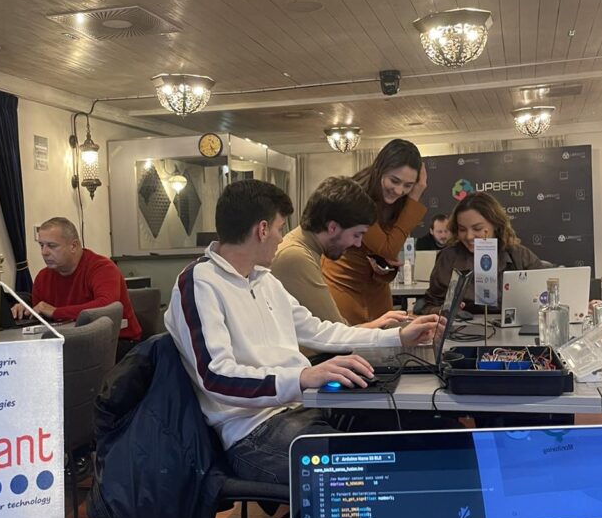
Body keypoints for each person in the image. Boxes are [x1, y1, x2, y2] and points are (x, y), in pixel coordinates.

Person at [165, 179, 444, 485]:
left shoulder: (263, 280)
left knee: (414, 435)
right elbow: (216, 377)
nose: (281, 237)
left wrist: (397, 337)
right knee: (374, 476)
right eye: (280, 228)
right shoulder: (200, 282)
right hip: (253, 431)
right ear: (262, 230)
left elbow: (320, 331)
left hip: (302, 408)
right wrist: (302, 377)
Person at [271, 175, 408, 330]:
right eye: (357, 234)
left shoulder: (304, 249)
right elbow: (334, 334)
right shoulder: (296, 257)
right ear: (332, 227)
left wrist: (376, 325)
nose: (358, 243)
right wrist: (386, 331)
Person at [321, 139, 428, 324]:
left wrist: (384, 263)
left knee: (387, 338)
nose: (399, 190)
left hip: (376, 289)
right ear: (379, 169)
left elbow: (384, 250)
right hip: (343, 286)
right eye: (394, 181)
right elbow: (388, 248)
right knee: (350, 338)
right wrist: (416, 194)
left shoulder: (397, 201)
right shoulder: (357, 196)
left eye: (408, 185)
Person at [13, 216, 142, 355]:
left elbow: (107, 305)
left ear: (73, 246)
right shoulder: (43, 277)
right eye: (41, 245)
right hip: (68, 342)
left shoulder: (102, 268)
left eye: (52, 246)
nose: (44, 252)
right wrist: (27, 311)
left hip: (117, 342)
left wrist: (56, 312)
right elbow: (42, 314)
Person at [419, 192, 544, 314]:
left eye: (477, 228)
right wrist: (444, 311)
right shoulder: (448, 258)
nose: (469, 236)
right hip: (463, 327)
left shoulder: (520, 256)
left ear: (496, 224)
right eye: (462, 229)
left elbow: (544, 295)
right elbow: (428, 305)